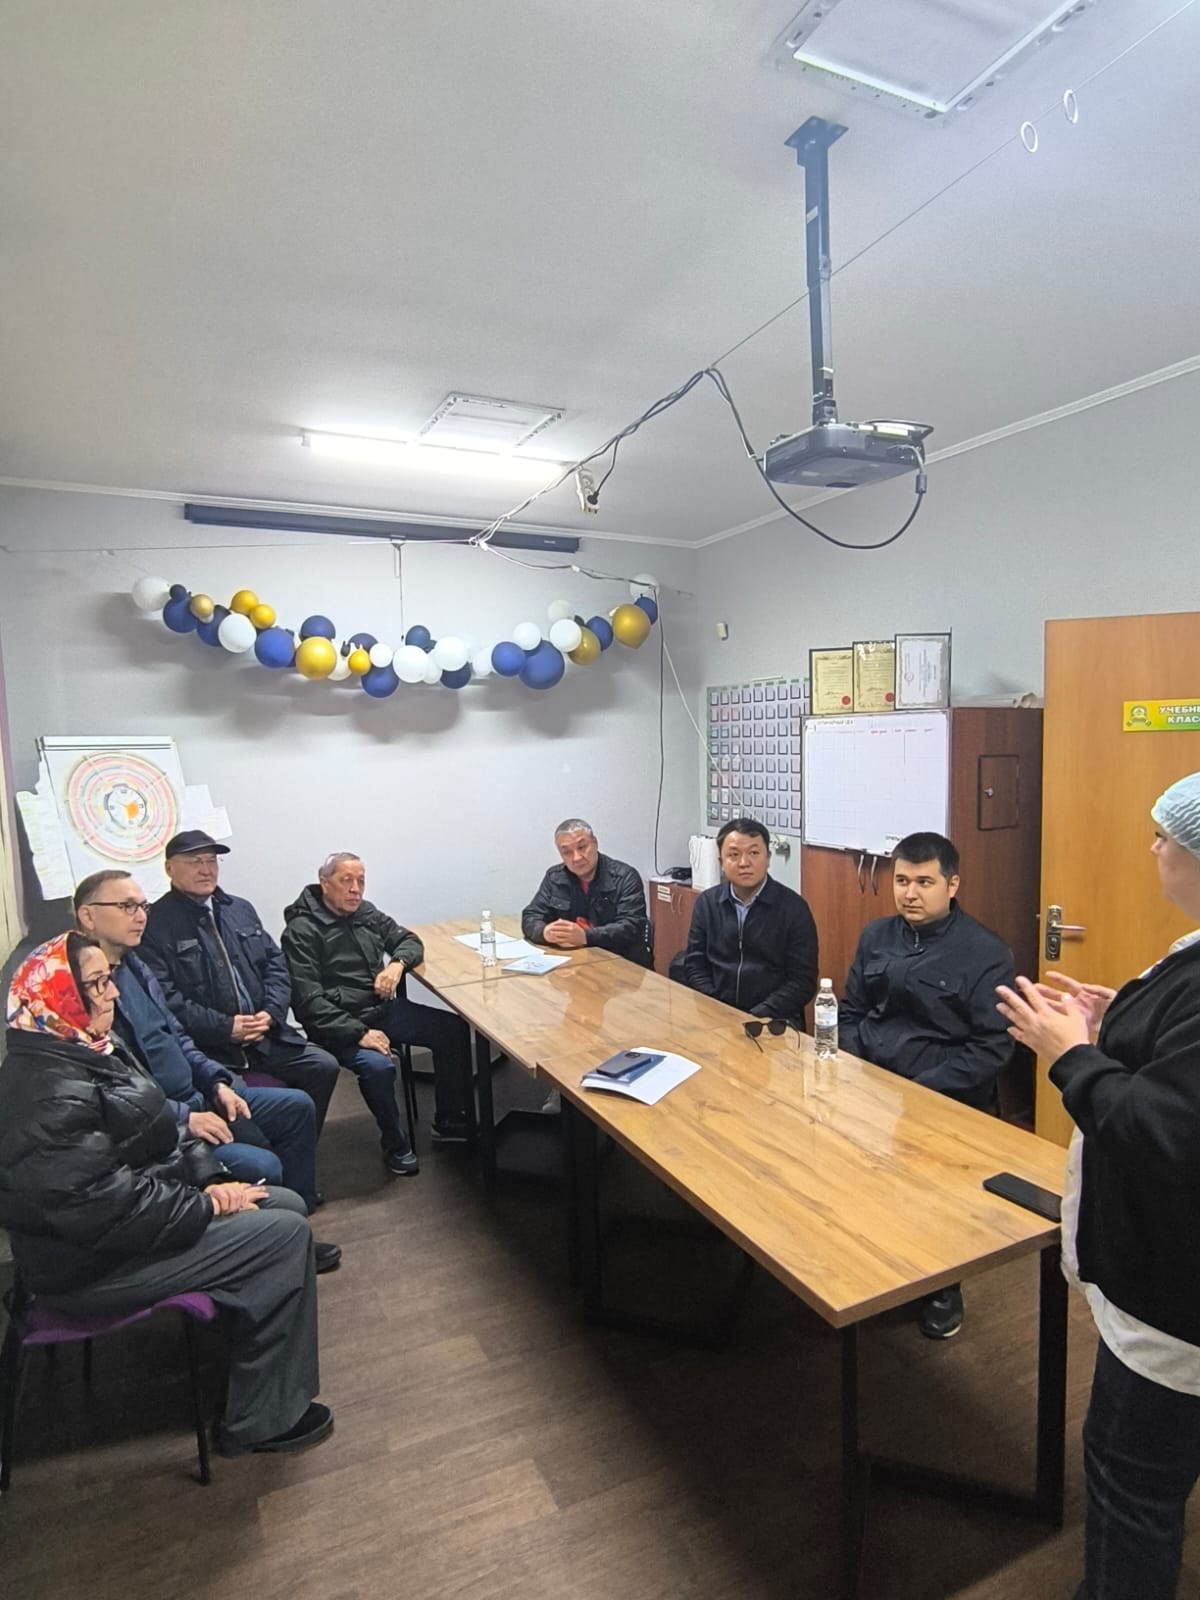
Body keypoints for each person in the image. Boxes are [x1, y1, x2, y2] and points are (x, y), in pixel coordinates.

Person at [0, 931, 334, 1456]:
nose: (112, 992)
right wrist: (206, 1204)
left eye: (109, 979)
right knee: (284, 1233)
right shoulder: (48, 1091)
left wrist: (211, 1179)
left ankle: (240, 1357)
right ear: (58, 995)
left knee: (283, 1202)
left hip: (127, 1229)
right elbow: (100, 1209)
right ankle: (261, 1420)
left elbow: (161, 1133)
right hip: (89, 1266)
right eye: (96, 984)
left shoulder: (85, 1049)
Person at [997, 773, 1200, 1600]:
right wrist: (1121, 1021)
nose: (1152, 848)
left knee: (1131, 1486)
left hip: (1175, 1313)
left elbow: (1166, 1131)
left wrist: (1070, 1055)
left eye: (1166, 838)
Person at [74, 871, 334, 1253]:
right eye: (127, 906)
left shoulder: (135, 965)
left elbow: (178, 1036)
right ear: (87, 916)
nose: (141, 916)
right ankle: (273, 1238)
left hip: (200, 1092)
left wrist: (215, 1082)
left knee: (297, 1107)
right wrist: (185, 1115)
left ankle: (298, 1228)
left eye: (142, 906)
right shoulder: (83, 989)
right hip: (166, 1120)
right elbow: (117, 1097)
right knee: (263, 1163)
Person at [840, 831, 1015, 1340]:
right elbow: (850, 1012)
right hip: (871, 1088)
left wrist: (920, 1092)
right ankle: (879, 1267)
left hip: (943, 1098)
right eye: (901, 881)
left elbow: (992, 1047)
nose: (910, 893)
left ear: (952, 885)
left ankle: (943, 1286)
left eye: (924, 882)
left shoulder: (986, 953)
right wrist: (853, 1070)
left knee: (936, 1207)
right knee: (869, 1189)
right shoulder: (876, 936)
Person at [281, 853, 471, 1173]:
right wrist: (359, 1033)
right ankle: (395, 1143)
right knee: (379, 1067)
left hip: (380, 1010)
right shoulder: (301, 931)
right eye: (346, 881)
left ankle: (450, 1120)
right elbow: (308, 1003)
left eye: (361, 881)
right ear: (324, 883)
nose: (355, 889)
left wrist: (396, 965)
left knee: (452, 1029)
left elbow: (408, 940)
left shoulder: (365, 913)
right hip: (337, 1024)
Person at [140, 830, 340, 1132]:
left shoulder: (239, 909)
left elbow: (276, 965)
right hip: (211, 1048)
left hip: (265, 1037)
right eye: (195, 862)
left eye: (211, 861)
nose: (206, 870)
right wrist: (226, 1027)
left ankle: (301, 1143)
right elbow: (167, 1000)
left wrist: (270, 1013)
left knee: (323, 1066)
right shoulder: (155, 925)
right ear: (169, 868)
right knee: (242, 1107)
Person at [682, 817, 818, 1021]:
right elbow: (694, 965)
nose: (744, 863)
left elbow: (803, 981)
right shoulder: (707, 904)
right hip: (717, 1014)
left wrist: (757, 1015)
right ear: (721, 862)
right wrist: (718, 1008)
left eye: (754, 853)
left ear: (768, 858)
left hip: (773, 1019)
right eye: (734, 855)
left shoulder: (793, 908)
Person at [522, 818, 652, 966]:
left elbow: (632, 926)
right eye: (567, 852)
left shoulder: (625, 877)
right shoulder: (555, 877)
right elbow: (531, 915)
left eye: (582, 847)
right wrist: (545, 932)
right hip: (575, 963)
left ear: (595, 843)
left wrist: (585, 936)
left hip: (623, 964)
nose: (576, 858)